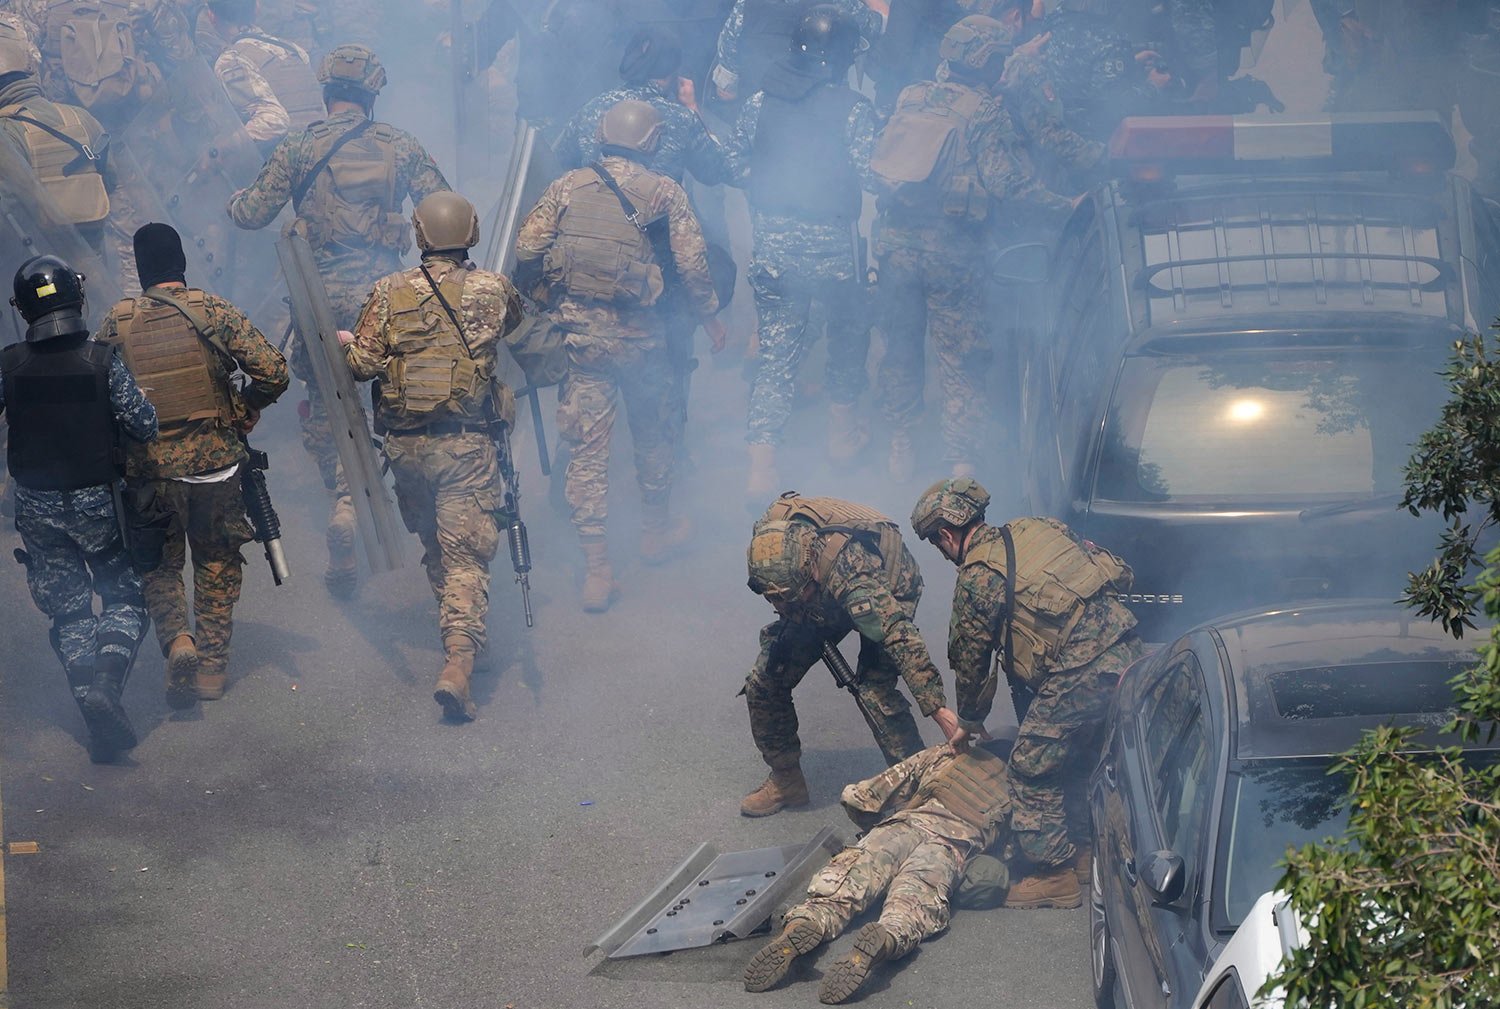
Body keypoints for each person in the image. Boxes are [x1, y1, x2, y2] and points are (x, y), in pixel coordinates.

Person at [228, 43, 450, 597]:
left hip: (315, 299)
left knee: (326, 404)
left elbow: (253, 214)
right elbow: (443, 206)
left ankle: (342, 500)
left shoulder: (299, 146)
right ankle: (369, 500)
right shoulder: (400, 144)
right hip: (383, 296)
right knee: (387, 399)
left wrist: (234, 199)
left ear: (326, 92)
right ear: (371, 95)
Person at [515, 99, 721, 613]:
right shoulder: (664, 192)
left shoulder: (567, 185)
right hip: (642, 342)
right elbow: (693, 264)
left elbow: (526, 248)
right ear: (651, 142)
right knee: (654, 433)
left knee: (588, 451)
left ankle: (598, 570)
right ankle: (655, 532)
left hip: (580, 343)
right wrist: (711, 317)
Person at [871, 15, 1089, 483]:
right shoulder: (985, 112)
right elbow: (1007, 182)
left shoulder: (910, 95)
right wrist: (1064, 205)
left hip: (894, 249)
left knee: (901, 348)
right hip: (954, 254)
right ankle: (960, 464)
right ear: (985, 61)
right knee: (961, 357)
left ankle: (900, 445)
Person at [910, 477, 1144, 908]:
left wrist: (969, 722)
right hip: (1127, 647)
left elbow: (971, 663)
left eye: (937, 544)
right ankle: (1083, 850)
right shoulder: (1040, 527)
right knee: (1076, 753)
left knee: (1030, 763)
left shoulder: (979, 576)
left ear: (946, 535)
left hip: (1083, 668)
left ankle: (1052, 875)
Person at [342, 192, 524, 722]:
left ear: (419, 234)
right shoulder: (493, 289)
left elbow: (362, 365)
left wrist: (348, 342)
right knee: (465, 555)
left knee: (437, 548)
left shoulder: (386, 291)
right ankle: (459, 664)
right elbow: (510, 325)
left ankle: (461, 637)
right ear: (471, 231)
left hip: (405, 448)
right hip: (466, 445)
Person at [95, 223, 288, 705]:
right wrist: (246, 407)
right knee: (218, 560)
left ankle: (178, 638)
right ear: (181, 263)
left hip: (150, 473)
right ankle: (212, 671)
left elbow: (97, 390)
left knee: (159, 566)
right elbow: (275, 372)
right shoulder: (213, 311)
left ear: (141, 270)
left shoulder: (117, 322)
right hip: (218, 468)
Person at [1, 253, 158, 762]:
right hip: (98, 506)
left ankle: (90, 701)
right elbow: (144, 424)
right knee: (126, 599)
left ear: (22, 309)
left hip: (36, 509)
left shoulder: (8, 364)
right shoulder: (100, 359)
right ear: (77, 296)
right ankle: (106, 689)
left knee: (69, 612)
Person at [726, 4, 878, 501]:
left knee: (775, 356)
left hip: (774, 251)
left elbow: (734, 164)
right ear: (838, 58)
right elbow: (872, 175)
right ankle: (842, 437)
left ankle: (759, 469)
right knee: (849, 337)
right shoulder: (854, 108)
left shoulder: (758, 102)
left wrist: (768, 188)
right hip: (836, 252)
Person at [741, 492, 963, 816]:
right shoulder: (771, 551)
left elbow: (898, 636)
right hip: (820, 599)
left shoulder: (850, 568)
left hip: (887, 587)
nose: (779, 608)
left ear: (812, 573)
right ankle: (786, 782)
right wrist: (793, 605)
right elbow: (785, 595)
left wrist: (937, 707)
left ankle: (915, 786)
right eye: (773, 599)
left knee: (875, 690)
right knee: (765, 681)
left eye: (787, 598)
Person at [744, 741, 1011, 1003]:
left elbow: (859, 797)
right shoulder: (1015, 790)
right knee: (908, 910)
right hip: (946, 849)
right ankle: (883, 942)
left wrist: (873, 826)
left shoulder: (946, 755)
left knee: (837, 894)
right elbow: (1017, 853)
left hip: (902, 828)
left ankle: (804, 925)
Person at [0, 16, 113, 250]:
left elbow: (8, 216)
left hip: (35, 266)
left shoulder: (5, 135)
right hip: (98, 265)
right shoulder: (79, 116)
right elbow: (110, 179)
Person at [201, 0, 321, 154]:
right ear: (257, 8)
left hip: (296, 159)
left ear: (212, 17)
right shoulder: (292, 48)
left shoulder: (231, 61)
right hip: (324, 147)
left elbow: (273, 121)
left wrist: (225, 145)